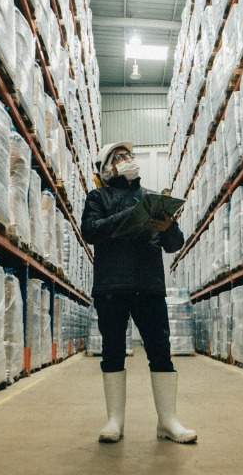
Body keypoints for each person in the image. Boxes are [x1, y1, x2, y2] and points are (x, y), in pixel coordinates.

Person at [81, 141, 197, 445]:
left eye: (129, 155)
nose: (127, 159)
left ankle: (168, 422)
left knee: (160, 350)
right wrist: (131, 215)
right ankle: (115, 422)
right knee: (113, 350)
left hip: (149, 286)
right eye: (119, 157)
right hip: (112, 286)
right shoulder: (98, 197)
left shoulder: (152, 198)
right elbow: (91, 230)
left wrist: (168, 226)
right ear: (107, 167)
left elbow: (174, 245)